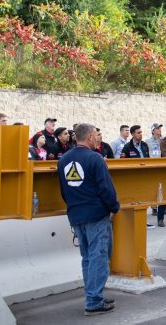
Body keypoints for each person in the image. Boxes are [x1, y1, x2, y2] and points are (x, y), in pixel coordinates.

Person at [57, 123, 119, 316]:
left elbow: (64, 190)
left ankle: (94, 295)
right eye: (96, 136)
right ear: (90, 137)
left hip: (76, 214)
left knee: (88, 258)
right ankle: (93, 301)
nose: (98, 139)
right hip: (96, 215)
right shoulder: (95, 159)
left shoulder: (63, 159)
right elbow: (105, 188)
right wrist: (113, 207)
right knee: (99, 257)